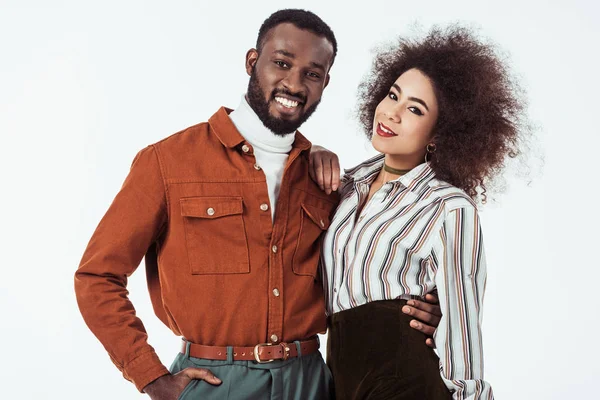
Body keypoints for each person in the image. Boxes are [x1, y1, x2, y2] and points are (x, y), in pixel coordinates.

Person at [74, 9, 441, 400]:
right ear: (253, 62)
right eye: (281, 63)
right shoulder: (167, 163)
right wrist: (149, 375)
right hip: (213, 383)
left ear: (324, 84)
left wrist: (421, 313)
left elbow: (355, 273)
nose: (294, 83)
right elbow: (97, 277)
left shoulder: (326, 182)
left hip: (312, 382)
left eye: (312, 74)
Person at [317, 25, 528, 399]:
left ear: (438, 134)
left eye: (414, 109)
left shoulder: (449, 207)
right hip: (341, 380)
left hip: (404, 383)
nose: (391, 113)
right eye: (393, 95)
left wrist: (468, 393)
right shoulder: (348, 185)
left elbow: (462, 320)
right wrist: (311, 150)